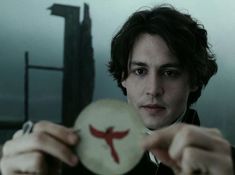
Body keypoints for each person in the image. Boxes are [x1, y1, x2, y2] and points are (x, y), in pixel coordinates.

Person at [0, 4, 234, 175]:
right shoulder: (68, 164)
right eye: (140, 71)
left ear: (193, 80)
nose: (153, 89)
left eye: (170, 72)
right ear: (123, 77)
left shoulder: (228, 164)